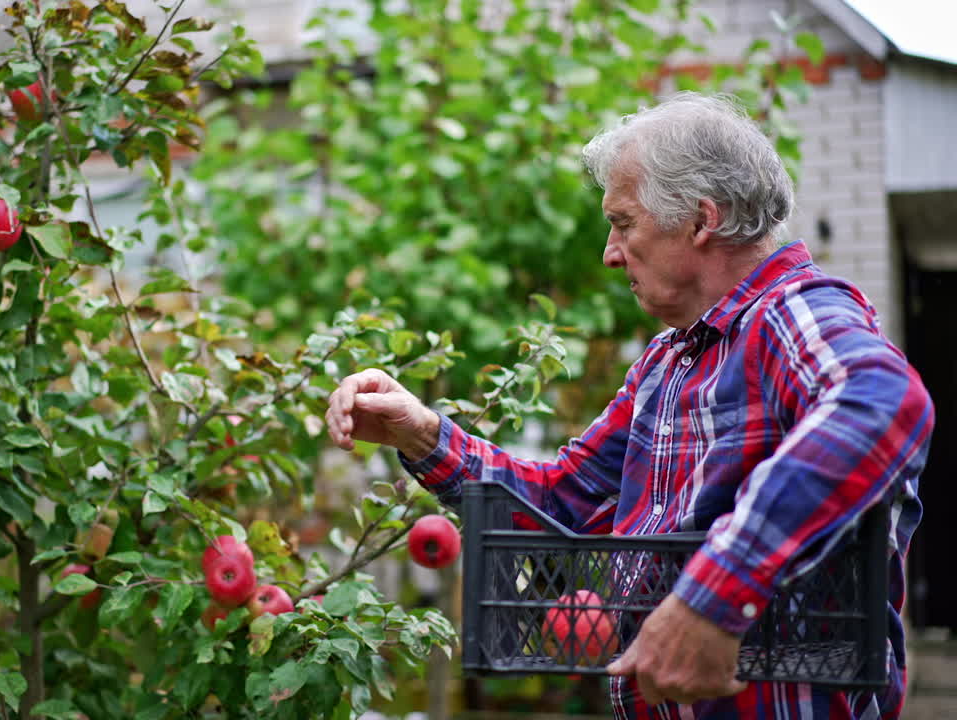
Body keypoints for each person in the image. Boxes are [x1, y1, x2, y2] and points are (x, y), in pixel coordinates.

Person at [325, 92, 934, 719]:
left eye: (623, 223)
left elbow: (881, 403)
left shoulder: (792, 315)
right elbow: (563, 504)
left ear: (701, 221)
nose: (610, 252)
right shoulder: (670, 362)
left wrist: (714, 596)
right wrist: (423, 435)